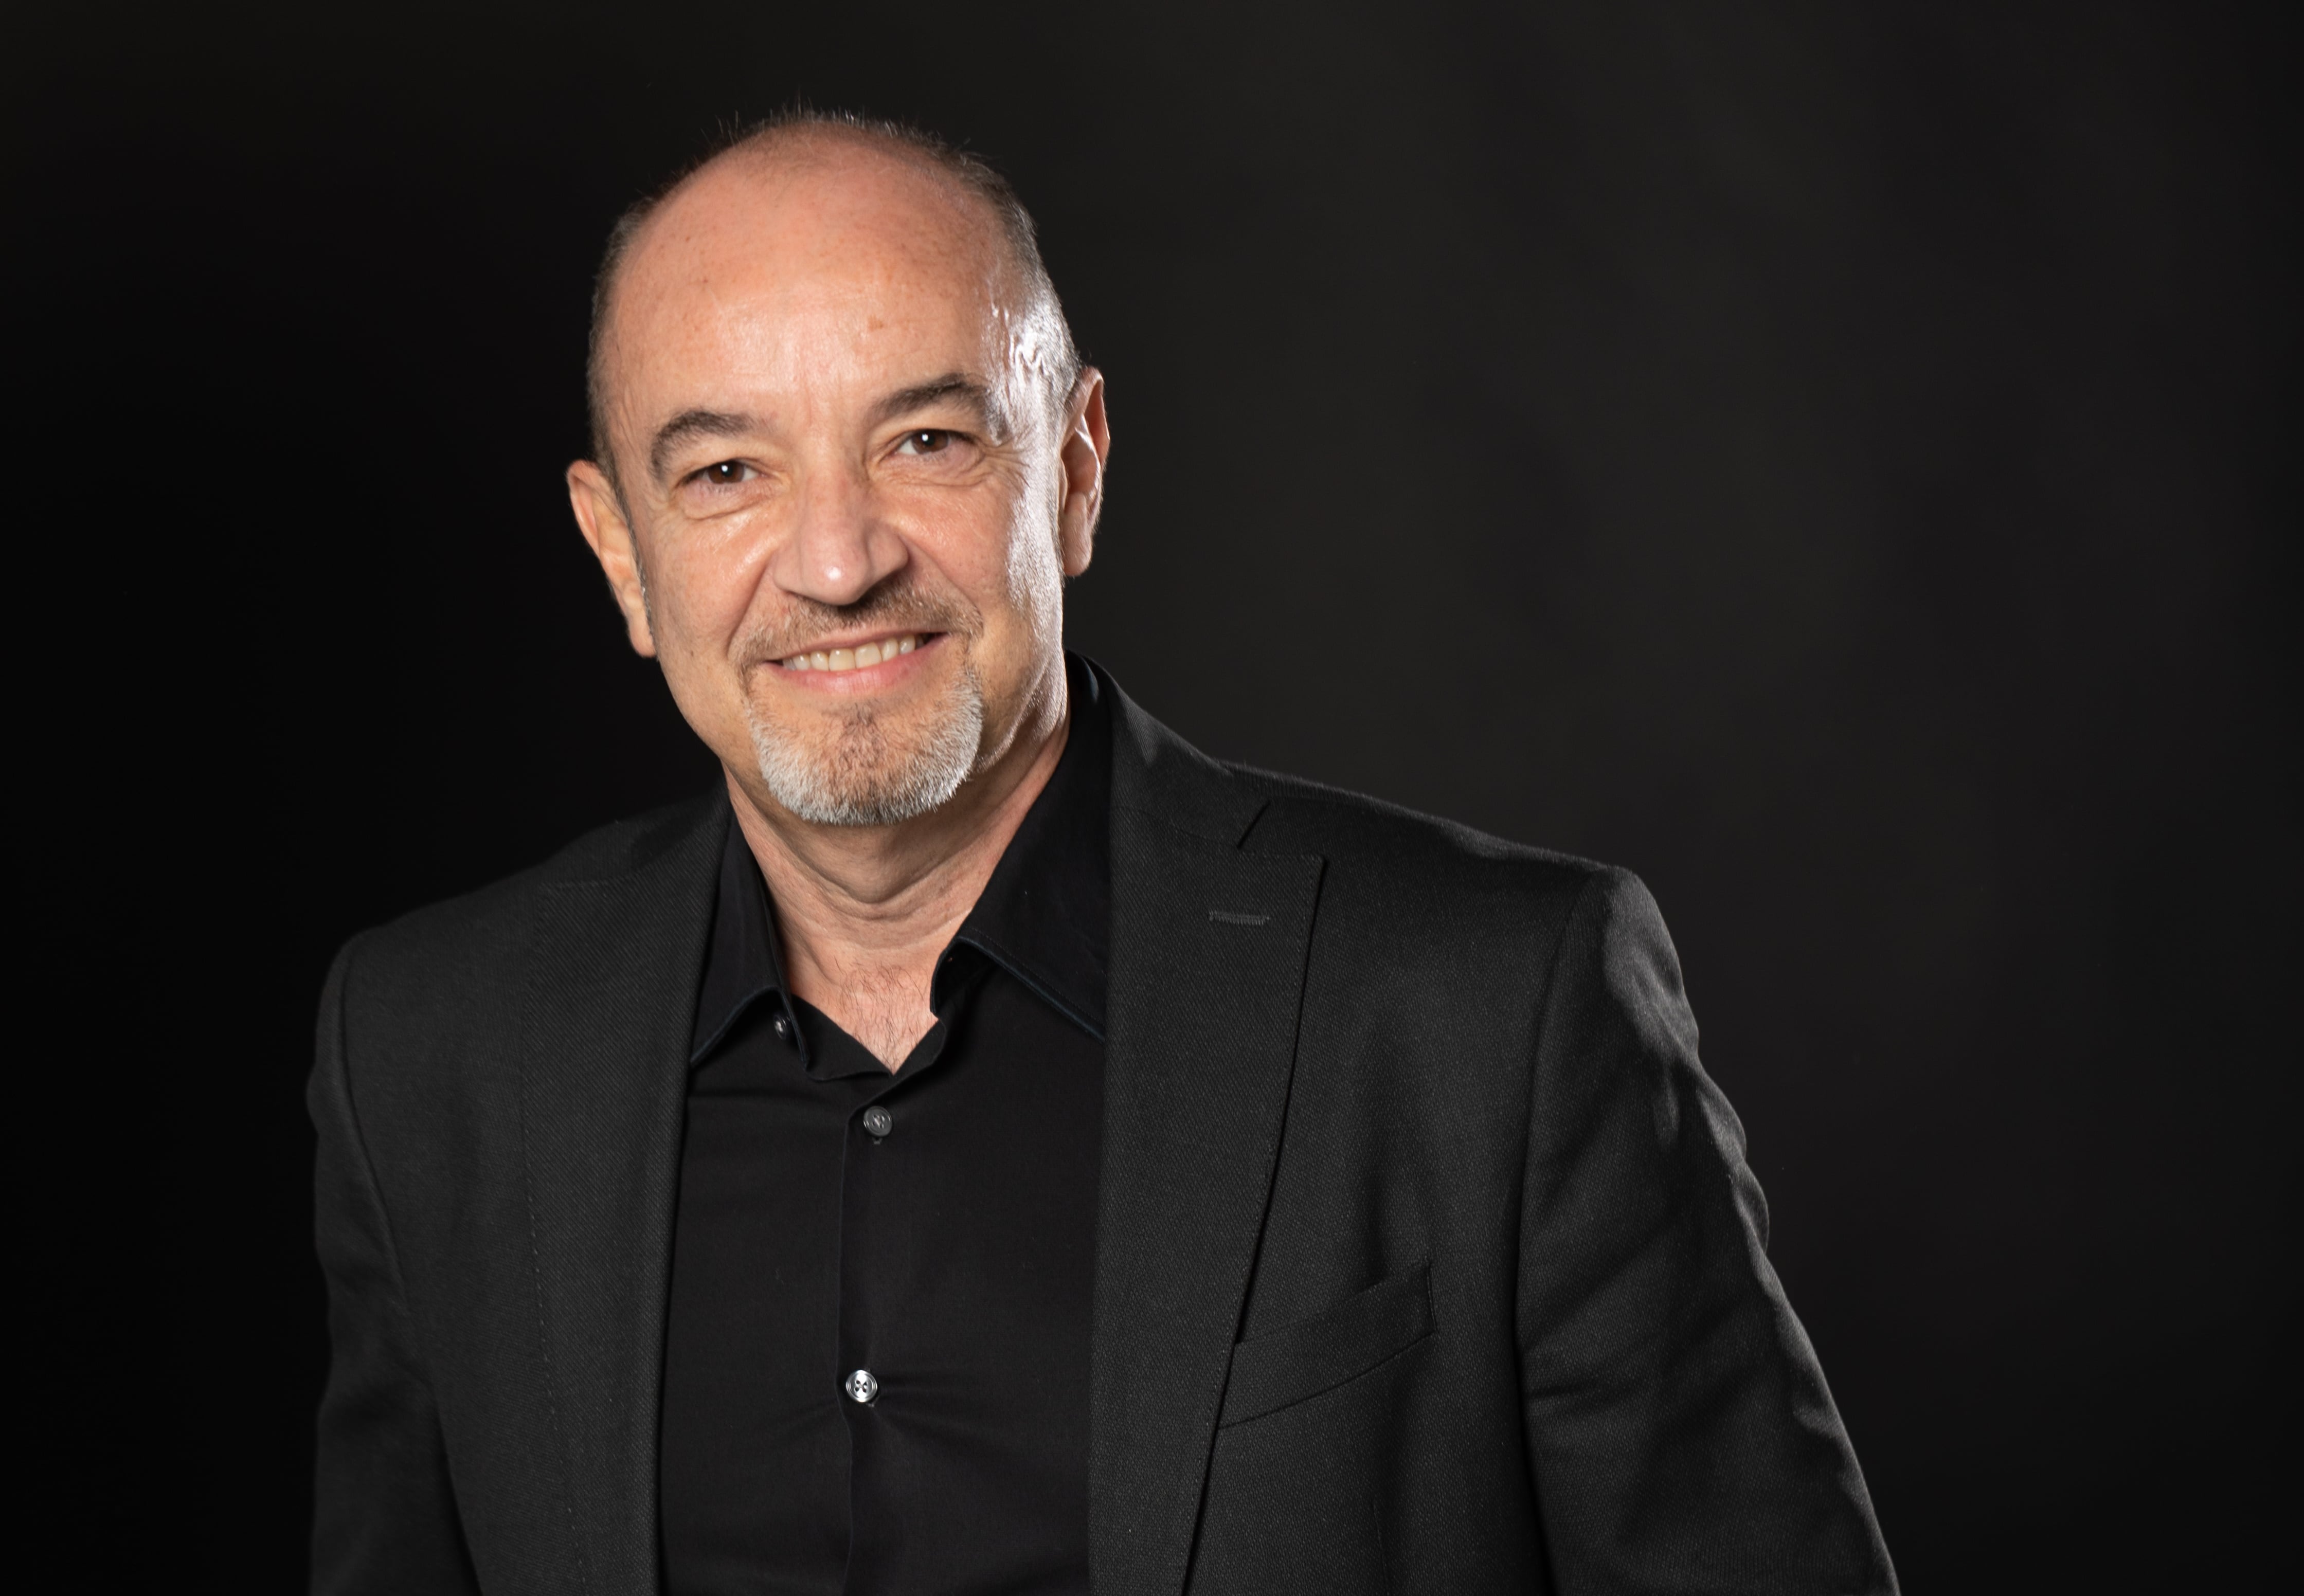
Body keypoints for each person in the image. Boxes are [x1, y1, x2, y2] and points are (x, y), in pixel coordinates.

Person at [310, 111, 1896, 1596]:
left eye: (926, 440)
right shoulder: (432, 1053)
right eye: (728, 472)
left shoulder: (1494, 1013)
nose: (839, 563)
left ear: (1073, 471)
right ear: (621, 554)